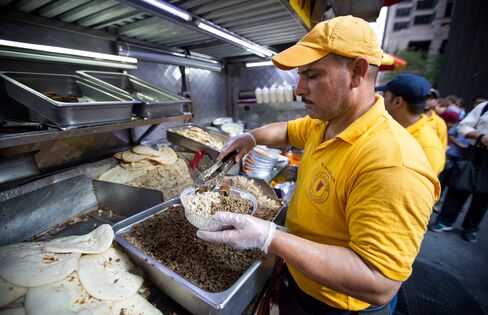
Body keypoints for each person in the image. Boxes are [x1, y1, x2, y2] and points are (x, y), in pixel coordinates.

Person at [197, 16, 440, 314]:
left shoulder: (393, 164)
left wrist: (268, 236)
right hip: (301, 278)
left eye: (311, 75)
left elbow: (379, 282)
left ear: (357, 72)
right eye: (300, 75)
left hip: (338, 305)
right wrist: (252, 137)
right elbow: (287, 130)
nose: (299, 89)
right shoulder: (327, 122)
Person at [429, 101, 488, 242]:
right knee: (458, 186)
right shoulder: (484, 106)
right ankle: (445, 220)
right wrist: (480, 137)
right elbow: (463, 126)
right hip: (476, 151)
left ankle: (471, 227)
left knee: (484, 195)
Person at [377, 74, 446, 175]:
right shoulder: (387, 126)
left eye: (384, 96)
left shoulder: (428, 147)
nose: (380, 100)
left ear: (397, 102)